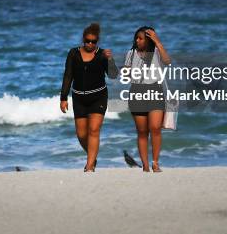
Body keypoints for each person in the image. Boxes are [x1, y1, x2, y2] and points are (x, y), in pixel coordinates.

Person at [60, 23, 118, 172]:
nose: (90, 44)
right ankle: (93, 157)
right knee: (81, 134)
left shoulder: (102, 54)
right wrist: (63, 98)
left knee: (94, 130)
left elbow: (113, 75)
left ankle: (89, 165)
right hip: (79, 98)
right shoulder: (73, 53)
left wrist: (110, 60)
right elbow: (68, 76)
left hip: (98, 96)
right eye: (87, 41)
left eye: (93, 41)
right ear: (83, 40)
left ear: (97, 41)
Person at [124, 26, 172, 172]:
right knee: (142, 131)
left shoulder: (157, 52)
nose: (137, 41)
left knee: (156, 128)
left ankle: (155, 162)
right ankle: (145, 165)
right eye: (136, 38)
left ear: (149, 39)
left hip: (155, 91)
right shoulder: (131, 53)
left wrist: (158, 42)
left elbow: (168, 61)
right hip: (137, 92)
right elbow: (126, 75)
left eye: (141, 38)